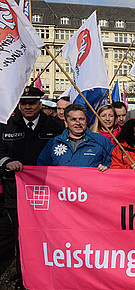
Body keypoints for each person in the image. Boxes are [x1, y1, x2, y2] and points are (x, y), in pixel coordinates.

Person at [0, 86, 64, 288]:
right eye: (24, 103)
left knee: (45, 238)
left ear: (40, 104)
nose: (28, 107)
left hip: (47, 193)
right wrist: (6, 161)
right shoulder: (6, 125)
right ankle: (22, 278)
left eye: (32, 102)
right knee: (19, 238)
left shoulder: (55, 126)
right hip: (15, 193)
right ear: (18, 104)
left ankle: (45, 278)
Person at [38, 104, 114, 170]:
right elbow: (42, 169)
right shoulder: (54, 143)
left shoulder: (101, 141)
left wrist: (106, 168)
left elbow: (115, 164)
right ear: (66, 121)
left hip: (90, 185)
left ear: (86, 120)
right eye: (73, 119)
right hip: (62, 186)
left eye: (81, 119)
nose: (78, 123)